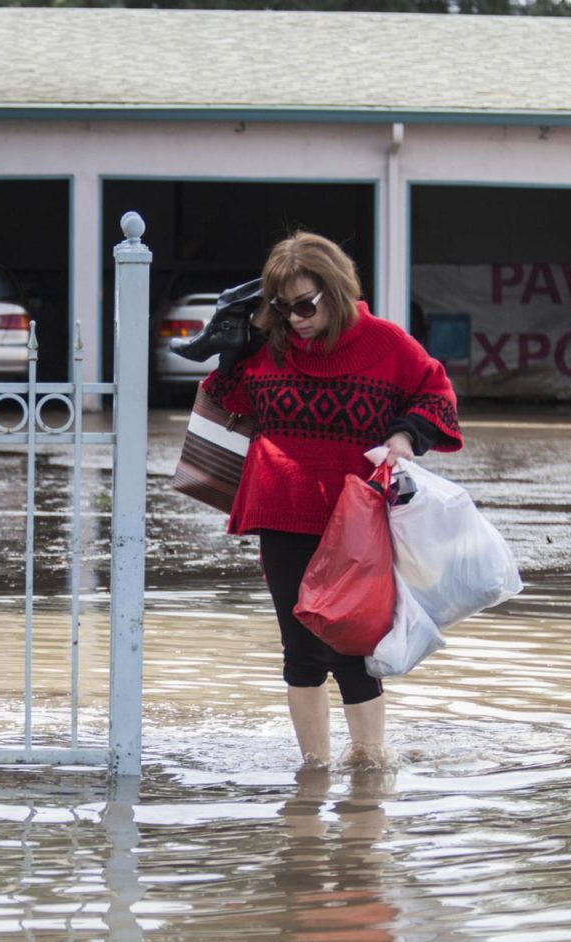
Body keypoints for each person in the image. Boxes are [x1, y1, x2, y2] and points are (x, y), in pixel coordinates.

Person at [197, 232, 462, 768]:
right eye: (280, 306)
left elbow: (437, 394)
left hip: (357, 522)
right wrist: (228, 353)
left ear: (336, 291)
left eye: (304, 304)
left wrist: (405, 437)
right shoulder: (266, 349)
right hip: (282, 512)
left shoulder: (387, 344)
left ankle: (370, 766)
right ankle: (313, 775)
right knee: (300, 651)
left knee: (355, 648)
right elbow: (226, 400)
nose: (293, 318)